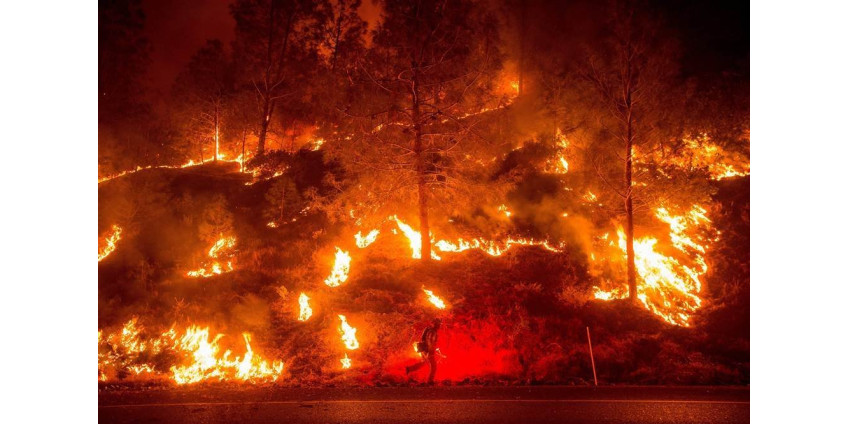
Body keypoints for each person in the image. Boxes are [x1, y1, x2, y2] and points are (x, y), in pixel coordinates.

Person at [406, 318, 441, 384]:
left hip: (425, 350)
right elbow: (430, 342)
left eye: (439, 324)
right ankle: (430, 381)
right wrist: (430, 352)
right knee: (433, 366)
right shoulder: (432, 332)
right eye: (438, 324)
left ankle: (409, 369)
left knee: (423, 363)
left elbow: (425, 340)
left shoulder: (429, 330)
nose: (439, 326)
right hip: (428, 350)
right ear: (434, 324)